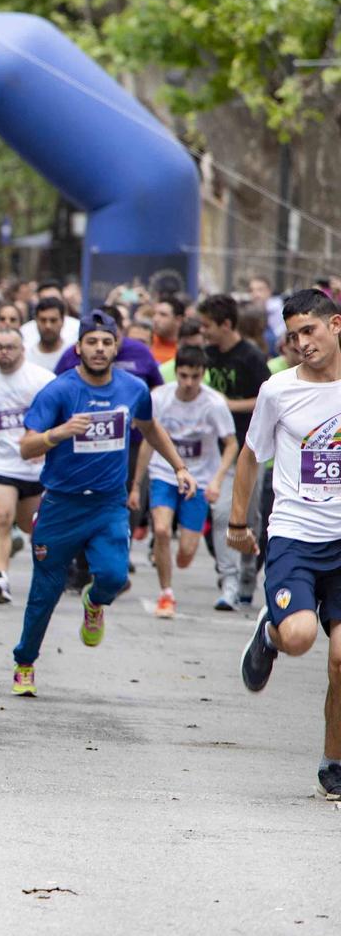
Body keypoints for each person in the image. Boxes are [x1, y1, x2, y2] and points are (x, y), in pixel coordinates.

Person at [10, 311, 195, 697]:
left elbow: (150, 427)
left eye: (106, 343)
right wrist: (59, 433)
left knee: (113, 576)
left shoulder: (133, 389)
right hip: (61, 504)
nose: (99, 349)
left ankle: (94, 602)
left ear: (116, 347)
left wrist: (179, 467)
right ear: (78, 348)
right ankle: (25, 662)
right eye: (91, 342)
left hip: (108, 504)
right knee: (44, 593)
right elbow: (27, 446)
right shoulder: (59, 391)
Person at [228, 289, 341, 799]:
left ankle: (333, 761)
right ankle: (270, 635)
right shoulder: (278, 391)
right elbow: (251, 455)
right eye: (292, 336)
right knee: (298, 637)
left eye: (309, 331)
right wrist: (237, 523)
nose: (301, 344)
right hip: (295, 532)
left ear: (334, 325)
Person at [139, 345, 237, 618]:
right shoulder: (160, 397)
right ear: (176, 373)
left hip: (201, 477)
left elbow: (231, 444)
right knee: (160, 530)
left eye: (195, 376)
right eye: (183, 375)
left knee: (185, 554)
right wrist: (136, 483)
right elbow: (149, 440)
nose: (189, 383)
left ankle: (187, 540)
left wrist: (217, 480)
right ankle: (166, 594)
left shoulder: (214, 403)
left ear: (203, 374)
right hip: (164, 473)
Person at [198, 292, 272, 606]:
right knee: (222, 513)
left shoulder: (251, 357)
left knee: (250, 517)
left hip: (249, 450)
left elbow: (267, 398)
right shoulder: (206, 355)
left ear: (226, 324)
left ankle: (246, 574)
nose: (204, 332)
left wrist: (229, 405)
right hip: (217, 452)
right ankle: (227, 581)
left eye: (207, 326)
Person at [0, 326, 54, 605]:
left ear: (22, 349)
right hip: (0, 461)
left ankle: (40, 568)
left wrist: (45, 445)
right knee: (1, 517)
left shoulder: (42, 380)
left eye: (10, 347)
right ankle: (0, 577)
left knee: (33, 527)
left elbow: (61, 413)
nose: (4, 352)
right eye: (0, 347)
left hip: (34, 465)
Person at [21, 296, 74, 372]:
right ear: (36, 321)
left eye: (53, 320)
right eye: (43, 320)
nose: (48, 326)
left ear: (62, 321)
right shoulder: (25, 356)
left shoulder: (72, 355)